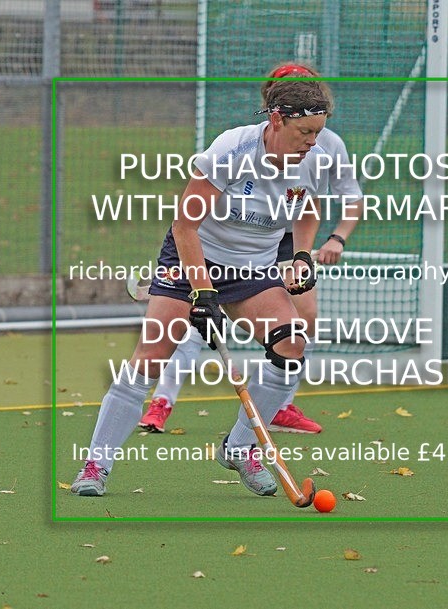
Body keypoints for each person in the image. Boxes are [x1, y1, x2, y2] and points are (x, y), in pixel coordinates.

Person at [71, 79, 332, 496]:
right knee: (150, 357)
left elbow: (306, 210)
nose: (312, 142)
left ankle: (241, 447)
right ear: (278, 120)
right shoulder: (232, 150)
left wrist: (301, 255)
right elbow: (185, 223)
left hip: (252, 269)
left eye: (318, 132)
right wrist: (203, 292)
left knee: (291, 344)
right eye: (305, 133)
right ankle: (96, 467)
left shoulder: (316, 160)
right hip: (195, 257)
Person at [138, 62, 364, 435]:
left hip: (279, 233)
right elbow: (190, 219)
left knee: (300, 323)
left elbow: (317, 203)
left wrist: (323, 245)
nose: (310, 136)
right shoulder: (242, 146)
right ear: (277, 107)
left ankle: (278, 403)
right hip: (230, 234)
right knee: (194, 324)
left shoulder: (325, 145)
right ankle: (163, 400)